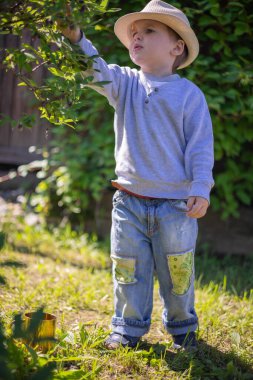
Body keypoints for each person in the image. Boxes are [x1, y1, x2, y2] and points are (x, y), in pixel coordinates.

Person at [58, 0, 214, 351]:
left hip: (175, 207)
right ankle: (127, 329)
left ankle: (183, 329)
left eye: (149, 31)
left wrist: (201, 188)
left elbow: (200, 149)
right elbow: (94, 70)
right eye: (134, 33)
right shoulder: (125, 82)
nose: (136, 37)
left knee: (178, 275)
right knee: (127, 271)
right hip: (128, 203)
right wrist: (75, 38)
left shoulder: (190, 95)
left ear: (177, 47)